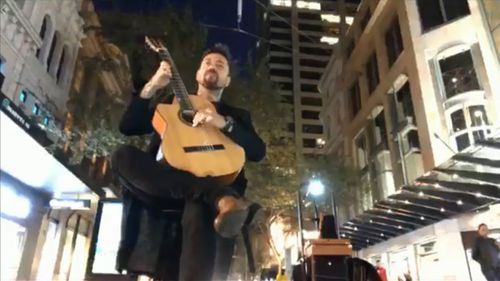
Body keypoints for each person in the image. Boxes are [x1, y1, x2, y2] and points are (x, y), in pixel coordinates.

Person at [111, 43, 266, 280]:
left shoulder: (236, 116)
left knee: (198, 208)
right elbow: (128, 126)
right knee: (121, 155)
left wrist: (223, 123)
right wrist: (153, 85)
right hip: (162, 186)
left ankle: (210, 195)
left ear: (227, 81)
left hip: (205, 192)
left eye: (220, 65)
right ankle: (219, 197)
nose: (213, 66)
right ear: (197, 75)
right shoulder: (170, 105)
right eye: (207, 63)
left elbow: (257, 151)